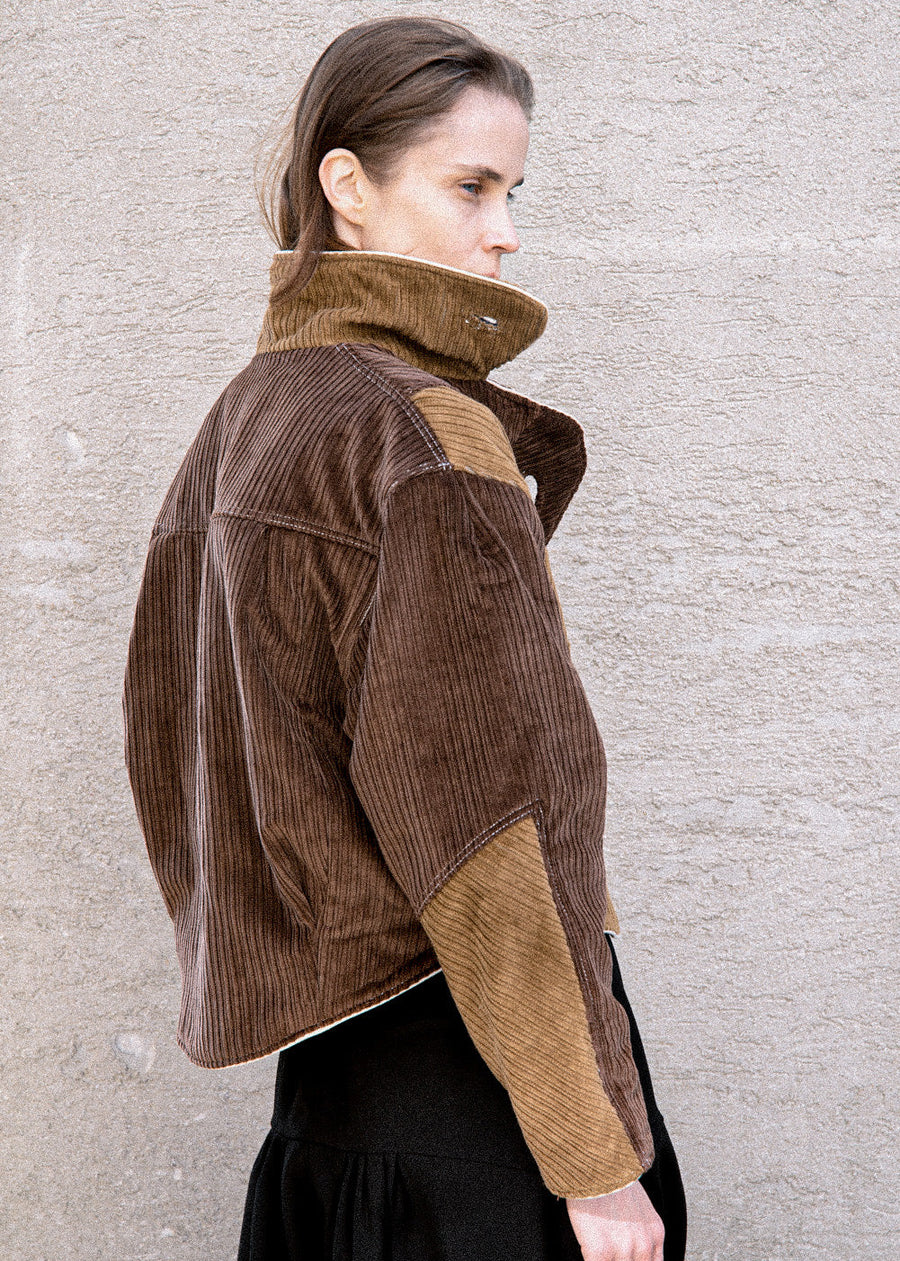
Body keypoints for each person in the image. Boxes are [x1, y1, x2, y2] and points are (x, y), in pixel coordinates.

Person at [122, 16, 687, 1261]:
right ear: (348, 188)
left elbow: (174, 751)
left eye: (515, 190)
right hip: (478, 1128)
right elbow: (493, 824)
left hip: (325, 1117)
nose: (507, 230)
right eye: (471, 185)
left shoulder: (247, 421)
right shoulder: (424, 436)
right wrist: (594, 1166)